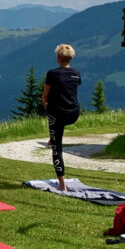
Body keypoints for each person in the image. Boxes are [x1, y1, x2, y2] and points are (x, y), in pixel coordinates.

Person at [42, 44, 81, 191]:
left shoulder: (52, 74)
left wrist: (47, 108)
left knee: (56, 149)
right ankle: (54, 136)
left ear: (58, 58)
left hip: (57, 114)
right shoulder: (76, 73)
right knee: (57, 130)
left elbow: (45, 97)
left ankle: (62, 185)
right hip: (73, 113)